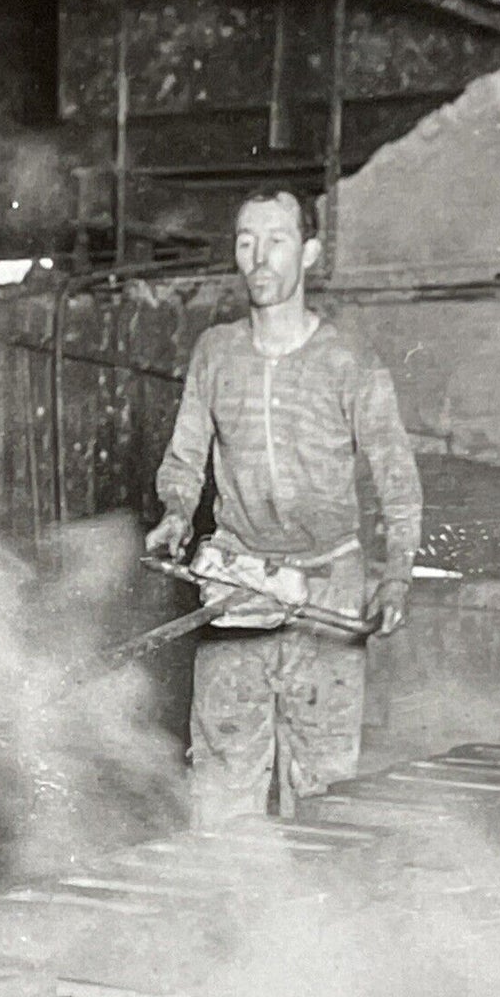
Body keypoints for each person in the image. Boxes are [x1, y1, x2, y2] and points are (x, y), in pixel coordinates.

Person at [145, 189, 422, 827]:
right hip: (236, 584)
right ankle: (228, 919)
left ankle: (312, 927)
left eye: (277, 240)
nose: (259, 257)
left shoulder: (349, 361)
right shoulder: (216, 353)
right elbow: (185, 460)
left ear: (311, 253)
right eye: (246, 240)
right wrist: (176, 515)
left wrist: (398, 573)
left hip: (327, 589)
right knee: (222, 782)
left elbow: (395, 476)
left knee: (323, 790)